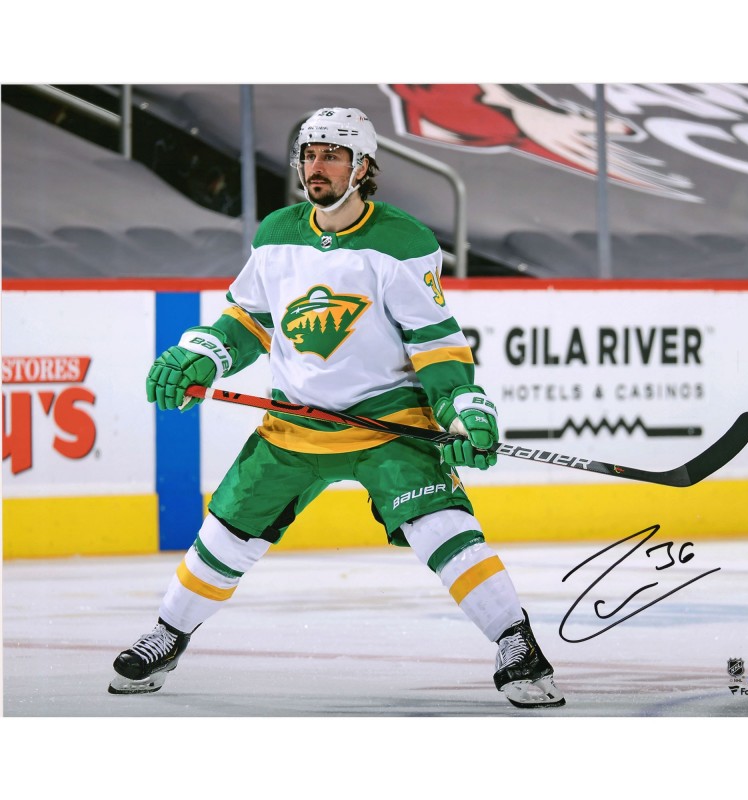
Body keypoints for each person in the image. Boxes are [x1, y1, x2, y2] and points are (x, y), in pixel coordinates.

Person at [108, 107, 565, 709]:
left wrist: (460, 408)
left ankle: (517, 642)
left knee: (442, 527)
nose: (316, 166)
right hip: (294, 424)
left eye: (332, 154)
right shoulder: (277, 233)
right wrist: (205, 355)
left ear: (363, 167)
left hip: (389, 423)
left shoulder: (403, 242)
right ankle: (167, 635)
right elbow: (248, 320)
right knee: (225, 534)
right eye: (309, 154)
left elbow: (434, 343)